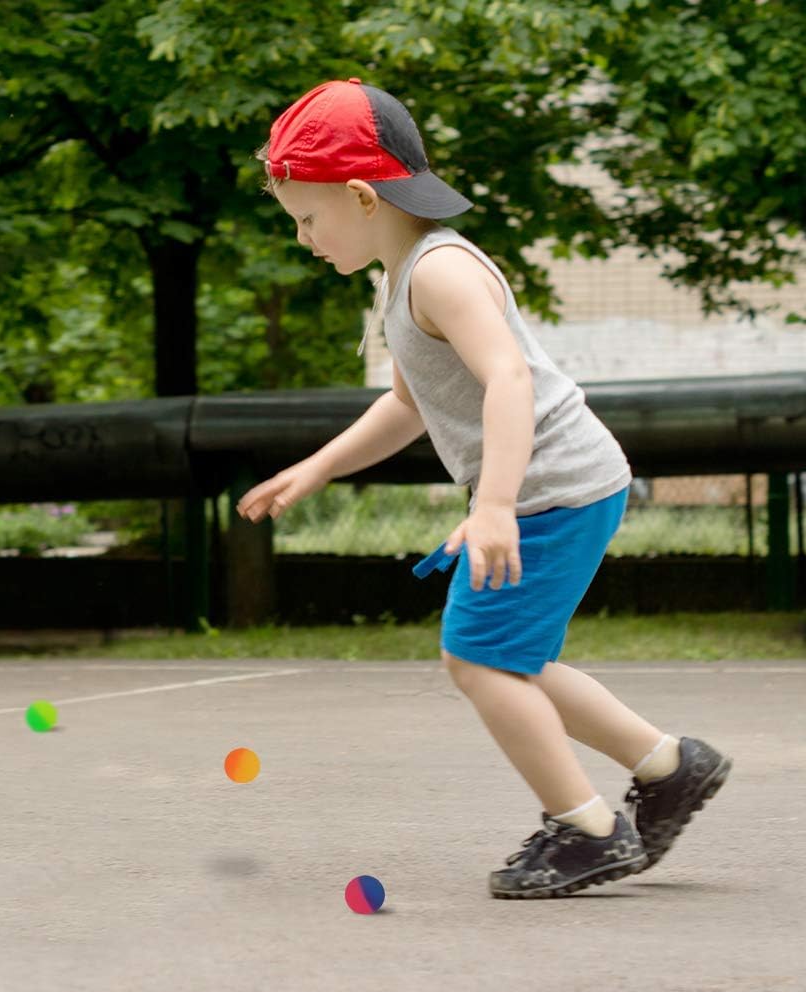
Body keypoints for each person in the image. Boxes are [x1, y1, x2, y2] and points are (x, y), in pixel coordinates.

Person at [236, 78, 731, 899]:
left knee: (477, 655)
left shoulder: (440, 271)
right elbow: (407, 404)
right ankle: (671, 766)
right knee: (513, 657)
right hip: (556, 486)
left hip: (549, 490)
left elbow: (507, 377)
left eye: (307, 217)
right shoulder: (401, 277)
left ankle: (588, 829)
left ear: (362, 198)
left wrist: (494, 504)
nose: (302, 237)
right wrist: (319, 464)